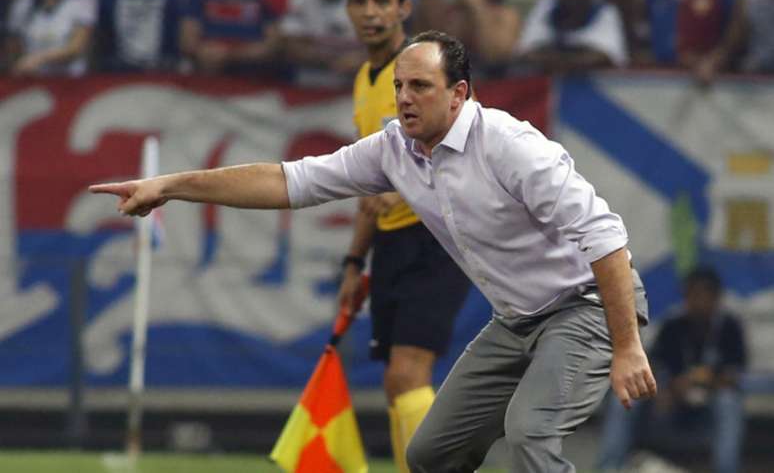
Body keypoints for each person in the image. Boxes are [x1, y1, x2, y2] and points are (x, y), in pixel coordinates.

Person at [90, 30, 657, 472]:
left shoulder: (511, 146)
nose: (405, 100)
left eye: (421, 88)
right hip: (517, 320)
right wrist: (169, 186)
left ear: (460, 94)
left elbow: (607, 238)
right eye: (400, 87)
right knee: (430, 454)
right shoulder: (393, 149)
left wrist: (627, 345)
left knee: (531, 430)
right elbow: (287, 182)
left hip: (589, 306)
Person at [339, 0, 470, 472]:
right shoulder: (366, 79)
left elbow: (467, 152)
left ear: (403, 9)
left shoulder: (424, 71)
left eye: (382, 0)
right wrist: (355, 261)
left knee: (408, 374)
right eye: (360, 1)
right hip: (391, 244)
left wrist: (410, 192)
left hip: (436, 236)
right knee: (397, 383)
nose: (370, 12)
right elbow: (370, 181)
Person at [597, 266, 747, 473]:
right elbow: (653, 366)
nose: (697, 302)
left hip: (710, 398)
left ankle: (726, 469)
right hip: (671, 397)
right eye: (692, 295)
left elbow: (735, 375)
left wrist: (703, 381)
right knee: (626, 397)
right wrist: (667, 388)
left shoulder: (729, 327)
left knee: (729, 402)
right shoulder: (674, 325)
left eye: (704, 295)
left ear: (716, 298)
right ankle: (610, 467)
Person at [178, 0, 287, 75]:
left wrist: (229, 55)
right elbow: (187, 41)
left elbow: (273, 46)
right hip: (207, 72)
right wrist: (203, 52)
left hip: (255, 77)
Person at [518, 0, 629, 73]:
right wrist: (562, 61)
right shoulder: (545, 8)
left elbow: (606, 56)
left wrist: (564, 62)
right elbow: (526, 53)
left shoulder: (606, 11)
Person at [279, 0, 363, 87]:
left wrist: (362, 60)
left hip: (357, 85)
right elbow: (289, 43)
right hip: (309, 84)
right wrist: (330, 61)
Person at [5, 0, 95, 76]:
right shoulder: (24, 3)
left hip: (69, 79)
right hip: (30, 77)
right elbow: (13, 44)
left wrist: (39, 59)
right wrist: (19, 64)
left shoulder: (81, 4)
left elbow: (76, 47)